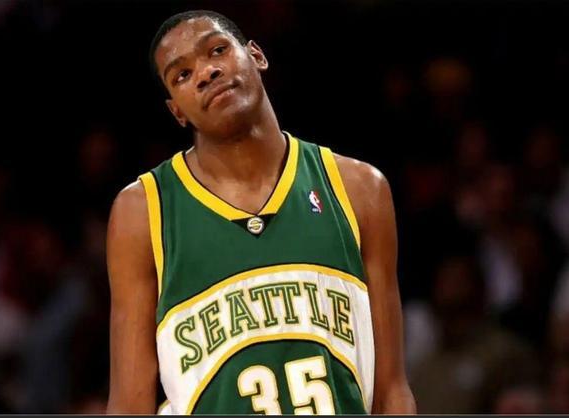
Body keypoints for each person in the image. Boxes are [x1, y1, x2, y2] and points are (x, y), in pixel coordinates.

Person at [106, 10, 415, 415]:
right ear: (176, 111)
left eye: (217, 50)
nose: (206, 73)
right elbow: (129, 404)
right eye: (181, 75)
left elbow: (392, 392)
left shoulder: (359, 188)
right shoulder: (143, 211)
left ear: (256, 55)